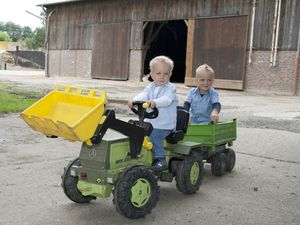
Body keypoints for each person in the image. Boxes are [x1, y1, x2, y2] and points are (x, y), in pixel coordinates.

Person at [128, 56, 178, 172]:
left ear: (170, 74)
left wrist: (155, 102)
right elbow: (143, 95)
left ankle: (160, 160)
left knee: (153, 136)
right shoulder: (150, 87)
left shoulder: (170, 89)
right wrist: (134, 101)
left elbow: (167, 100)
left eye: (166, 74)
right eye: (158, 73)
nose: (162, 77)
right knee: (134, 131)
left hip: (165, 125)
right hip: (150, 123)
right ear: (151, 74)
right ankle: (138, 156)